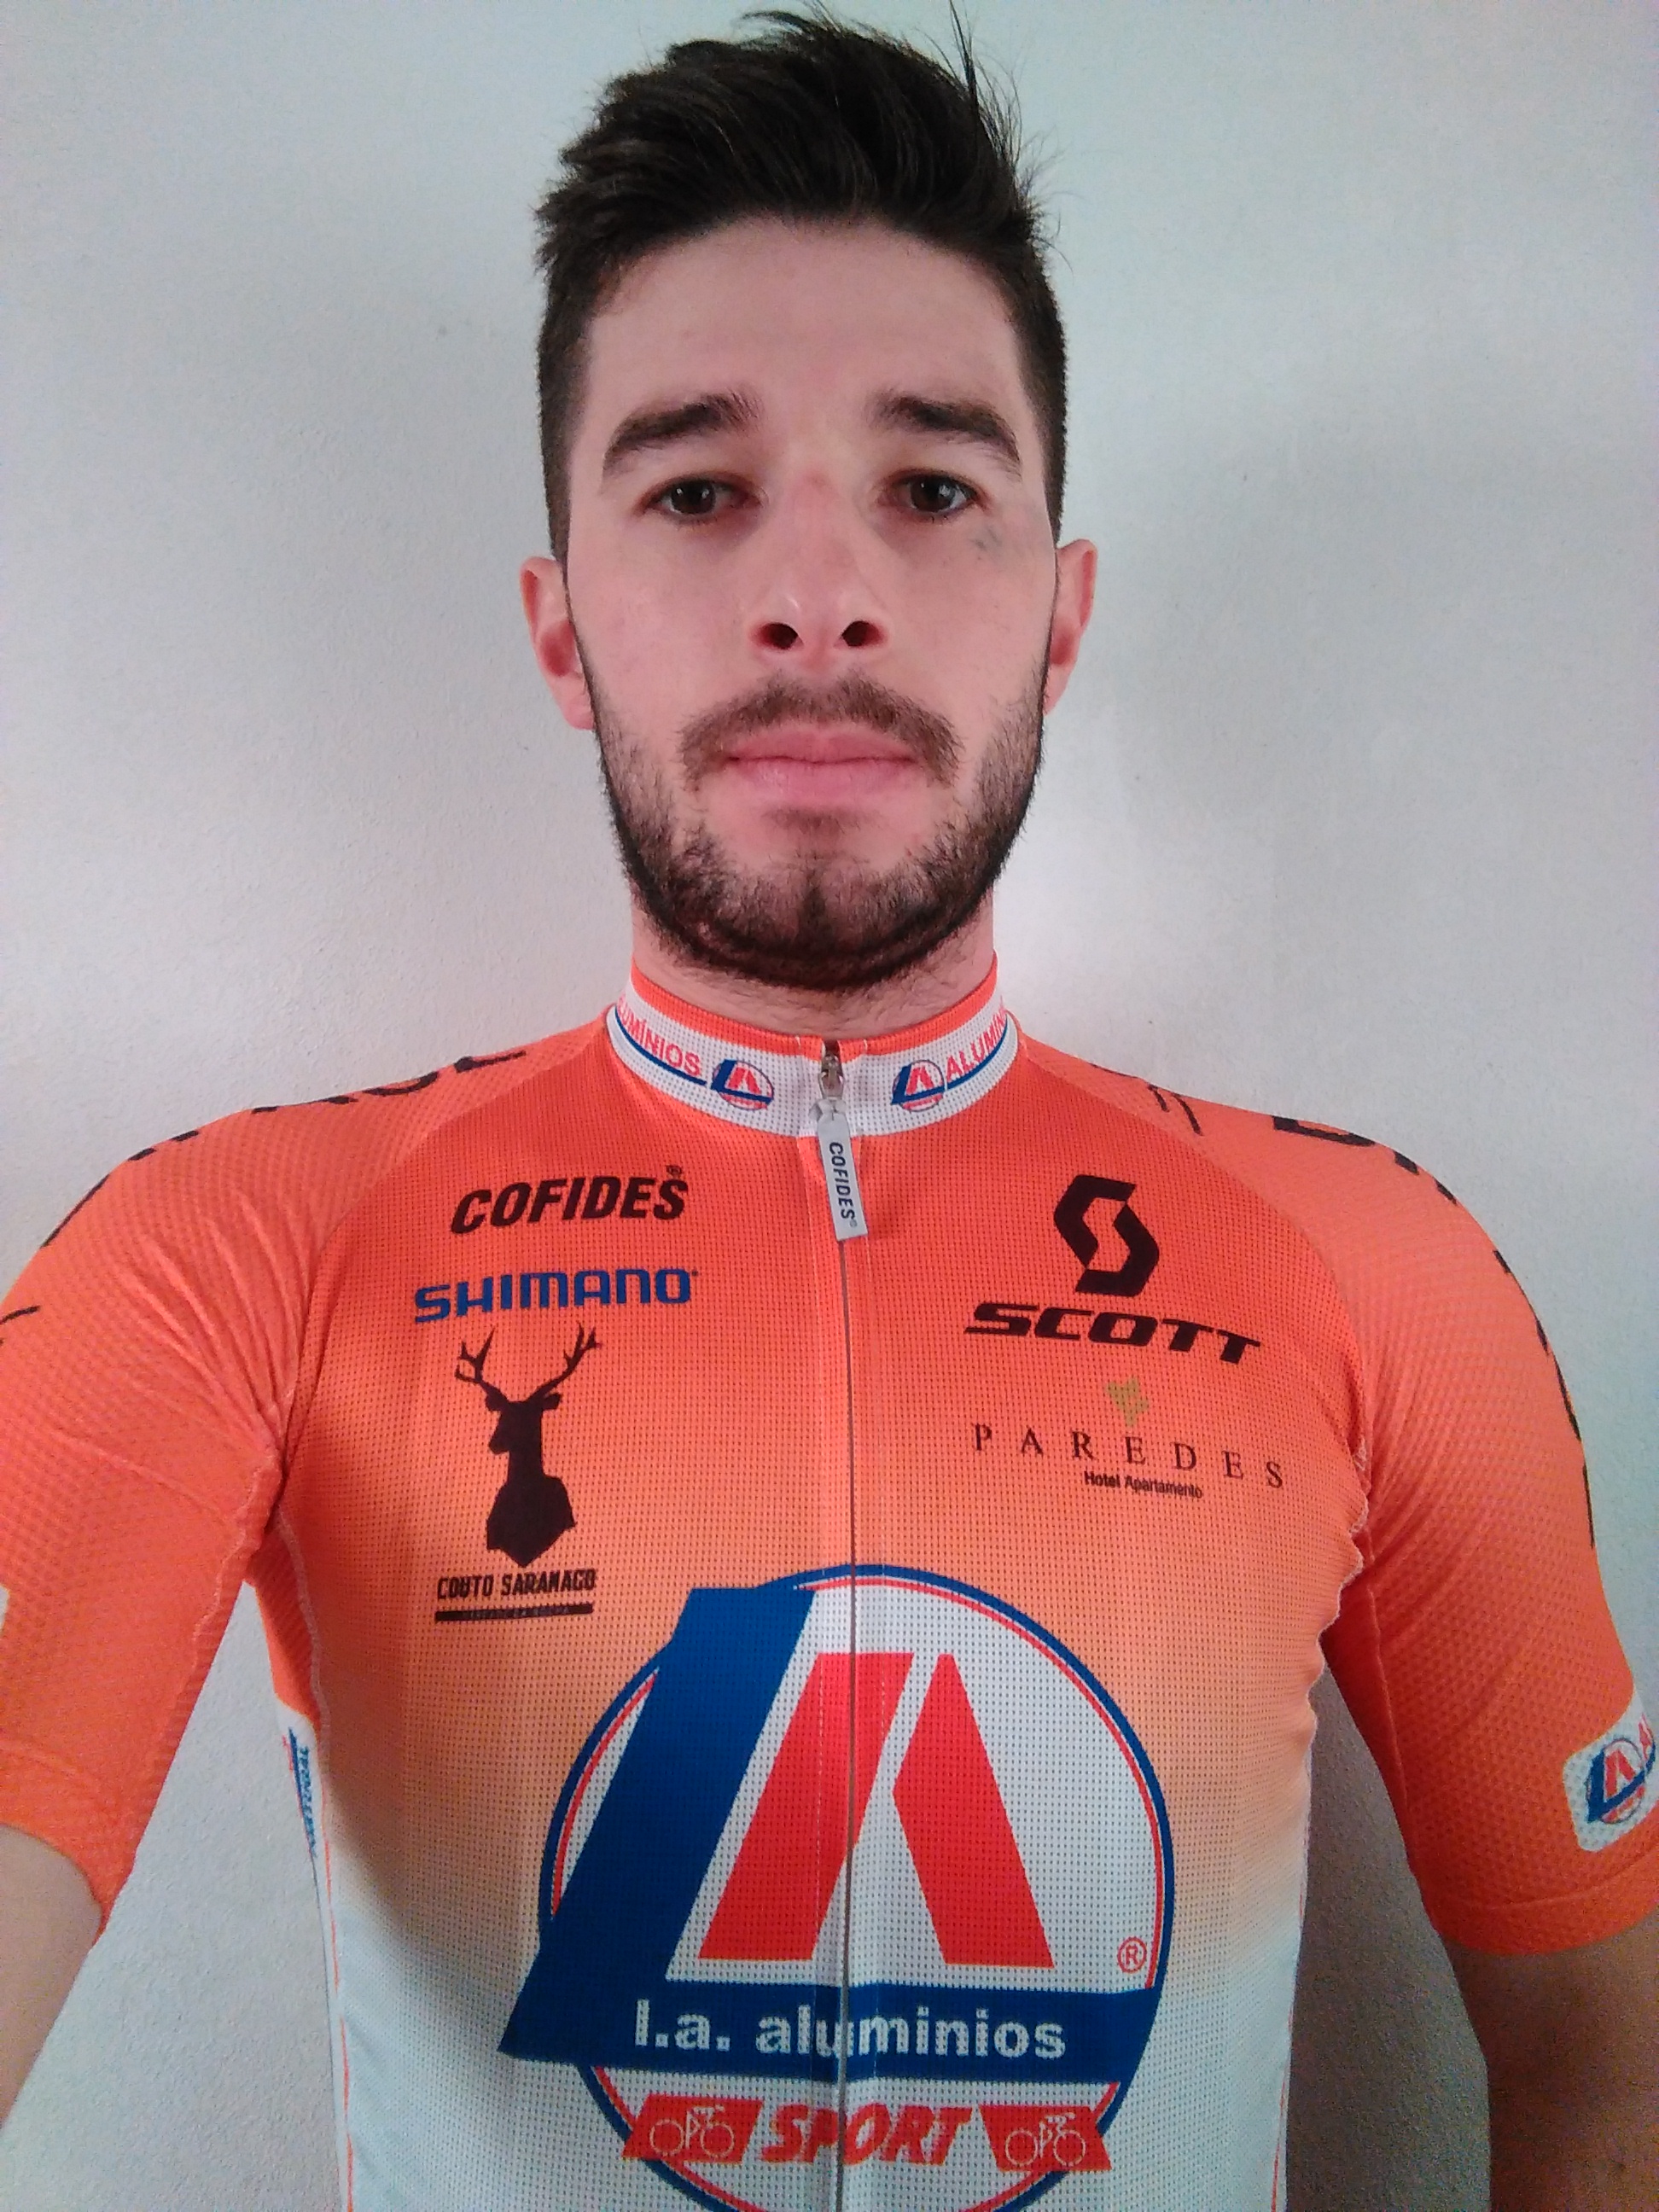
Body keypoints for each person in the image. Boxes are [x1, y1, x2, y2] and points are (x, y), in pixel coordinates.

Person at [0, 13, 1654, 2209]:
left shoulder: (1378, 1274)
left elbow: (1609, 2061)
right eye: (696, 489)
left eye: (933, 488)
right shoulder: (233, 1255)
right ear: (561, 630)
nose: (818, 594)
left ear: (1060, 616)